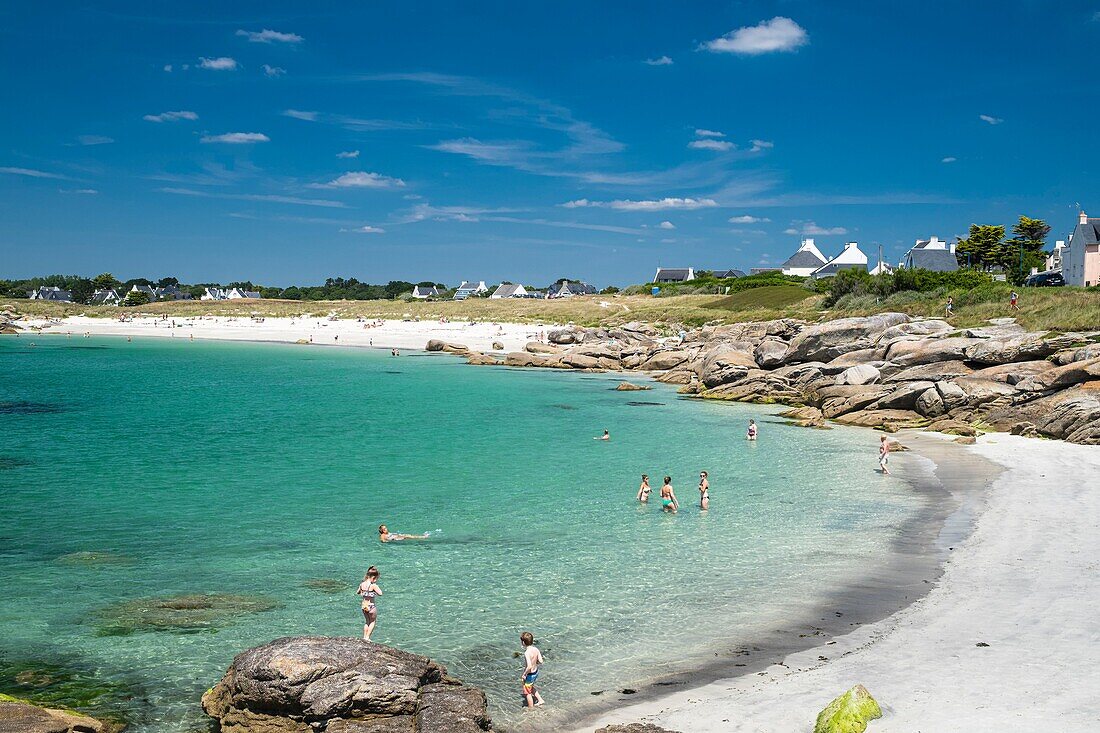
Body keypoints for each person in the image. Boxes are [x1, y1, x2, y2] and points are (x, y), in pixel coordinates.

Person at [519, 631, 544, 708]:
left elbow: (529, 666)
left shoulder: (527, 653)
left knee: (527, 692)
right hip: (535, 672)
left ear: (523, 642)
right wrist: (535, 662)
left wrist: (524, 674)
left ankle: (531, 709)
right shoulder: (536, 649)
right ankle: (540, 700)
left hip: (530, 674)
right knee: (530, 687)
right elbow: (541, 661)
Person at [357, 566, 382, 641]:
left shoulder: (362, 584)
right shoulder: (373, 585)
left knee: (367, 621)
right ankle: (367, 637)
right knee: (373, 621)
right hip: (371, 606)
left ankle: (364, 637)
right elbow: (380, 593)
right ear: (373, 577)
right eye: (376, 578)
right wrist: (375, 589)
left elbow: (358, 592)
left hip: (364, 606)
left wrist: (363, 592)